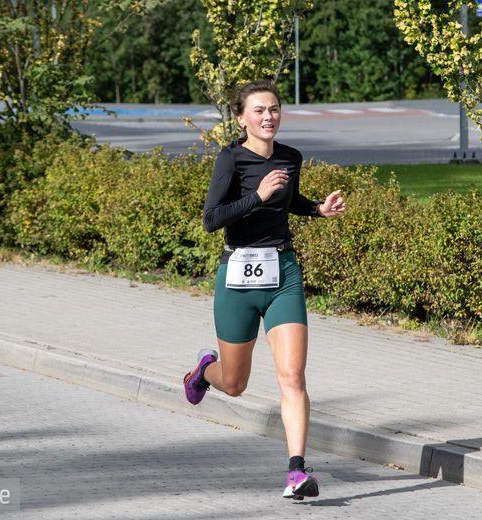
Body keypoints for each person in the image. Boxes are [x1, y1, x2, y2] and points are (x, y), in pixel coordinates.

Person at [183, 79, 346, 500]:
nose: (268, 116)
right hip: (237, 275)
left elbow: (288, 201)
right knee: (235, 383)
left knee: (292, 376)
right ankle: (204, 371)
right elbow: (212, 219)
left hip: (283, 273)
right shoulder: (230, 159)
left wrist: (317, 209)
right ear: (241, 118)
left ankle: (296, 471)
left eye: (273, 109)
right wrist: (256, 195)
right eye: (258, 110)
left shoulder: (291, 157)